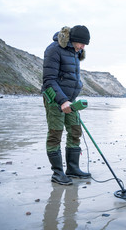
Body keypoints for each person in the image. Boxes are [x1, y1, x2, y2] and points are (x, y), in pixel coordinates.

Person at [41, 25, 91, 185]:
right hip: (55, 99)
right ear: (73, 39)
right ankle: (57, 173)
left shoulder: (76, 52)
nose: (83, 47)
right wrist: (62, 101)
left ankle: (72, 168)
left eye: (85, 45)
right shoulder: (54, 49)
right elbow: (49, 80)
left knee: (75, 131)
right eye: (81, 43)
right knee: (55, 134)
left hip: (71, 100)